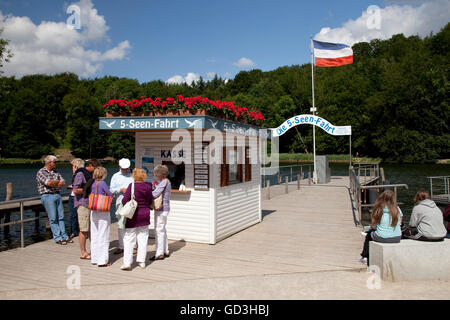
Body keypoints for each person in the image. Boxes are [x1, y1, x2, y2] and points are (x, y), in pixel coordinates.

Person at [120, 168, 153, 270]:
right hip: (145, 214)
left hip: (133, 215)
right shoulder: (147, 186)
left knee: (129, 238)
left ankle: (127, 263)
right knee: (143, 238)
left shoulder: (132, 186)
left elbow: (124, 200)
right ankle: (141, 261)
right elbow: (150, 200)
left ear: (134, 175)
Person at [36, 155, 72, 245]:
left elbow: (63, 182)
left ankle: (64, 236)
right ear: (49, 163)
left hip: (57, 195)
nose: (56, 164)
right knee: (53, 218)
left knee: (61, 217)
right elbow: (49, 183)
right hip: (47, 196)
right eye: (55, 162)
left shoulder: (56, 171)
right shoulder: (41, 172)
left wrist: (55, 183)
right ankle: (58, 237)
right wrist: (56, 182)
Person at [360, 190, 402, 265]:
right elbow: (400, 223)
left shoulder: (378, 209)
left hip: (382, 237)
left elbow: (373, 226)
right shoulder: (397, 209)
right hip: (397, 237)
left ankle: (365, 256)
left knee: (369, 235)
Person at [73, 158, 101, 259]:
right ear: (90, 166)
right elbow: (75, 190)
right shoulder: (80, 174)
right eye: (96, 168)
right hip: (83, 204)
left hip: (91, 203)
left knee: (92, 228)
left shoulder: (91, 175)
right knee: (84, 229)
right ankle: (83, 252)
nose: (96, 171)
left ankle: (93, 250)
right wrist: (89, 190)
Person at [109, 158, 134, 254]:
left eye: (127, 168)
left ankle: (133, 246)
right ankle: (121, 246)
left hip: (132, 203)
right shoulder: (115, 176)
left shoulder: (132, 175)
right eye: (124, 168)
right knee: (121, 224)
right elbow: (111, 189)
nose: (126, 170)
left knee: (131, 224)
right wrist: (120, 190)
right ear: (119, 167)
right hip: (120, 202)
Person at [90, 167, 113, 267]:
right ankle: (102, 260)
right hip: (103, 210)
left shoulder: (93, 183)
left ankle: (94, 258)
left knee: (95, 234)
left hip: (94, 210)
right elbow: (109, 194)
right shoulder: (102, 183)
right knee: (103, 235)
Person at [150, 165, 172, 261]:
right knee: (162, 229)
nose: (156, 176)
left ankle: (159, 253)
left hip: (161, 209)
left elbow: (154, 194)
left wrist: (144, 191)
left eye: (156, 174)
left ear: (159, 174)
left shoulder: (164, 182)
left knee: (159, 230)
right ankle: (165, 250)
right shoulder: (167, 182)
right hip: (165, 209)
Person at [68, 158, 84, 240]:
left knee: (75, 215)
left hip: (76, 196)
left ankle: (76, 231)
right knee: (73, 215)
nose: (72, 168)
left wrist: (72, 186)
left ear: (76, 166)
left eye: (73, 166)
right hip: (72, 195)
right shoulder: (76, 174)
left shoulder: (79, 174)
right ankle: (75, 231)